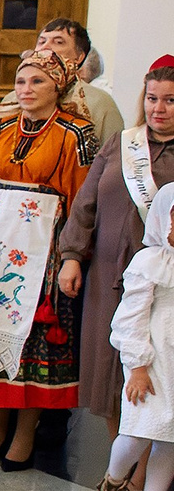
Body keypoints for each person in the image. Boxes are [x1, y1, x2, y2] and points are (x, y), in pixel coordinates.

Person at [0, 45, 98, 469]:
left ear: (59, 86)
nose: (26, 89)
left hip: (42, 253)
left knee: (32, 344)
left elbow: (82, 202)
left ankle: (24, 435)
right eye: (21, 81)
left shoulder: (75, 133)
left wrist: (71, 256)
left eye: (38, 81)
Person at [60, 58, 174, 455]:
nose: (158, 109)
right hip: (108, 275)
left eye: (171, 101)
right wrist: (72, 255)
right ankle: (121, 464)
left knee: (156, 372)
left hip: (162, 284)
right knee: (111, 367)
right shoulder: (122, 143)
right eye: (152, 99)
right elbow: (86, 203)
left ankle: (144, 473)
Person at [100, 184, 174, 491]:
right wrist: (138, 367)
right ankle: (115, 478)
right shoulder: (150, 262)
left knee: (171, 438)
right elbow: (130, 318)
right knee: (139, 431)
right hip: (154, 358)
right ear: (163, 220)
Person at [44, 20, 123, 143]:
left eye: (58, 42)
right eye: (41, 41)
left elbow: (112, 156)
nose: (45, 47)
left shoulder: (100, 103)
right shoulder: (18, 97)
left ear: (79, 56)